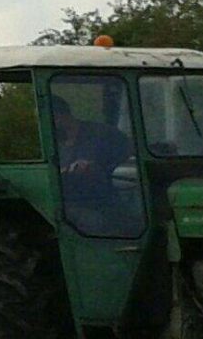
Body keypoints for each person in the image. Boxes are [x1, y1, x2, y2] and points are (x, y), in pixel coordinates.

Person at [51, 95, 140, 235]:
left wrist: (96, 167)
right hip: (66, 202)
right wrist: (66, 170)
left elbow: (134, 150)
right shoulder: (53, 142)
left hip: (99, 201)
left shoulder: (101, 133)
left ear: (58, 116)